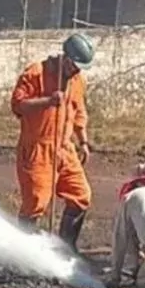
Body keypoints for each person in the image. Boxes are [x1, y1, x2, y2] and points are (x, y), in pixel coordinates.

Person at [10, 33, 95, 251]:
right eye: (74, 65)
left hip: (65, 148)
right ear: (65, 58)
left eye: (79, 68)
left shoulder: (77, 81)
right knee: (37, 201)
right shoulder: (35, 73)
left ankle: (66, 249)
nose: (76, 70)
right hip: (38, 148)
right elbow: (18, 105)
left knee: (81, 196)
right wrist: (48, 101)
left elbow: (78, 111)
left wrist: (83, 141)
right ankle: (24, 253)